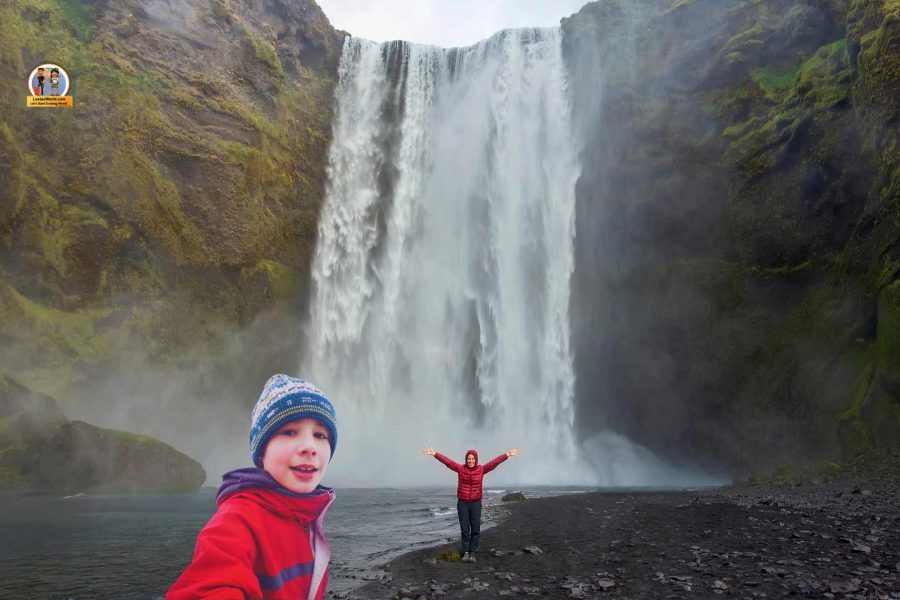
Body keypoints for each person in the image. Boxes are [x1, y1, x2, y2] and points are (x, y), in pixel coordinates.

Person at [167, 374, 338, 600]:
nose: (309, 446)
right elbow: (210, 588)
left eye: (320, 435)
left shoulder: (305, 514)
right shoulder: (236, 521)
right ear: (262, 452)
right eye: (289, 432)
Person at [422, 445, 520, 563]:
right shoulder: (460, 468)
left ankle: (473, 552)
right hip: (462, 503)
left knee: (475, 529)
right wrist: (435, 454)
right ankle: (465, 552)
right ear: (466, 459)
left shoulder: (481, 469)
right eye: (469, 458)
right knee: (464, 529)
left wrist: (507, 455)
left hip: (475, 503)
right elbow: (448, 462)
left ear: (476, 459)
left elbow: (494, 463)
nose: (471, 461)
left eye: (473, 459)